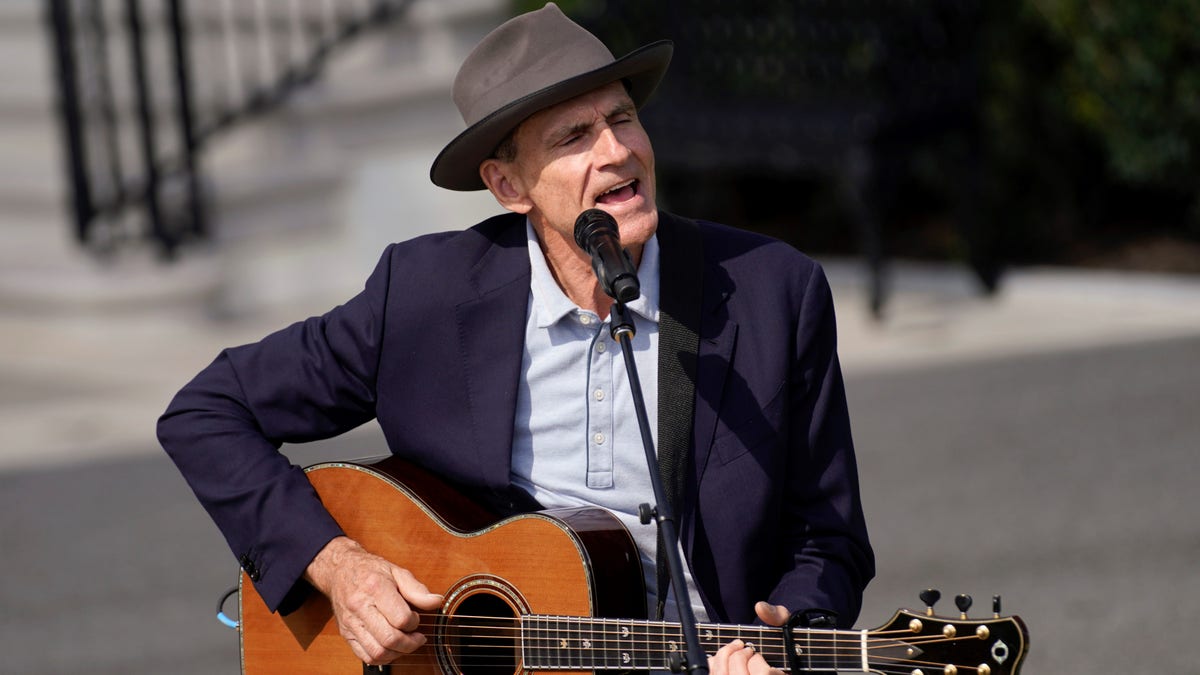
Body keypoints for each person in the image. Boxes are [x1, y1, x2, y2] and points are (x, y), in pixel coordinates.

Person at [158, 4, 873, 673]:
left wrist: (790, 636)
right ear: (508, 185)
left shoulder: (771, 292)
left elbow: (827, 537)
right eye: (574, 137)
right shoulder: (424, 294)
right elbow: (208, 410)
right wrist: (339, 564)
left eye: (622, 118)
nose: (617, 150)